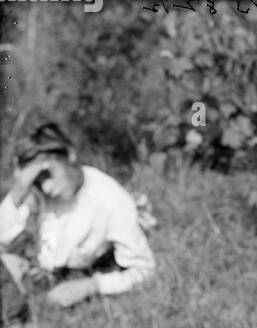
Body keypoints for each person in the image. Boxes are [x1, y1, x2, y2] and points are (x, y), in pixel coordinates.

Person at [0, 122, 155, 315]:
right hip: (40, 272)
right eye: (37, 182)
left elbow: (144, 269)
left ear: (69, 155)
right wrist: (19, 190)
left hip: (78, 270)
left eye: (47, 174)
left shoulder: (110, 200)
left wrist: (91, 286)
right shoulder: (39, 196)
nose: (47, 188)